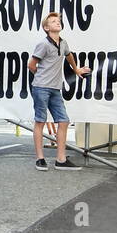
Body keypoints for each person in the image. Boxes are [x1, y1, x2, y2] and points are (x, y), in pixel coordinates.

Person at [28, 12, 91, 170]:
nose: (57, 23)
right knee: (40, 121)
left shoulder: (63, 43)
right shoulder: (43, 44)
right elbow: (31, 65)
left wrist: (76, 69)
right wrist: (42, 78)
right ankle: (40, 159)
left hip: (56, 89)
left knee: (63, 121)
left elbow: (68, 56)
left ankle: (61, 159)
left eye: (58, 21)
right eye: (53, 21)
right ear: (46, 28)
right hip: (41, 88)